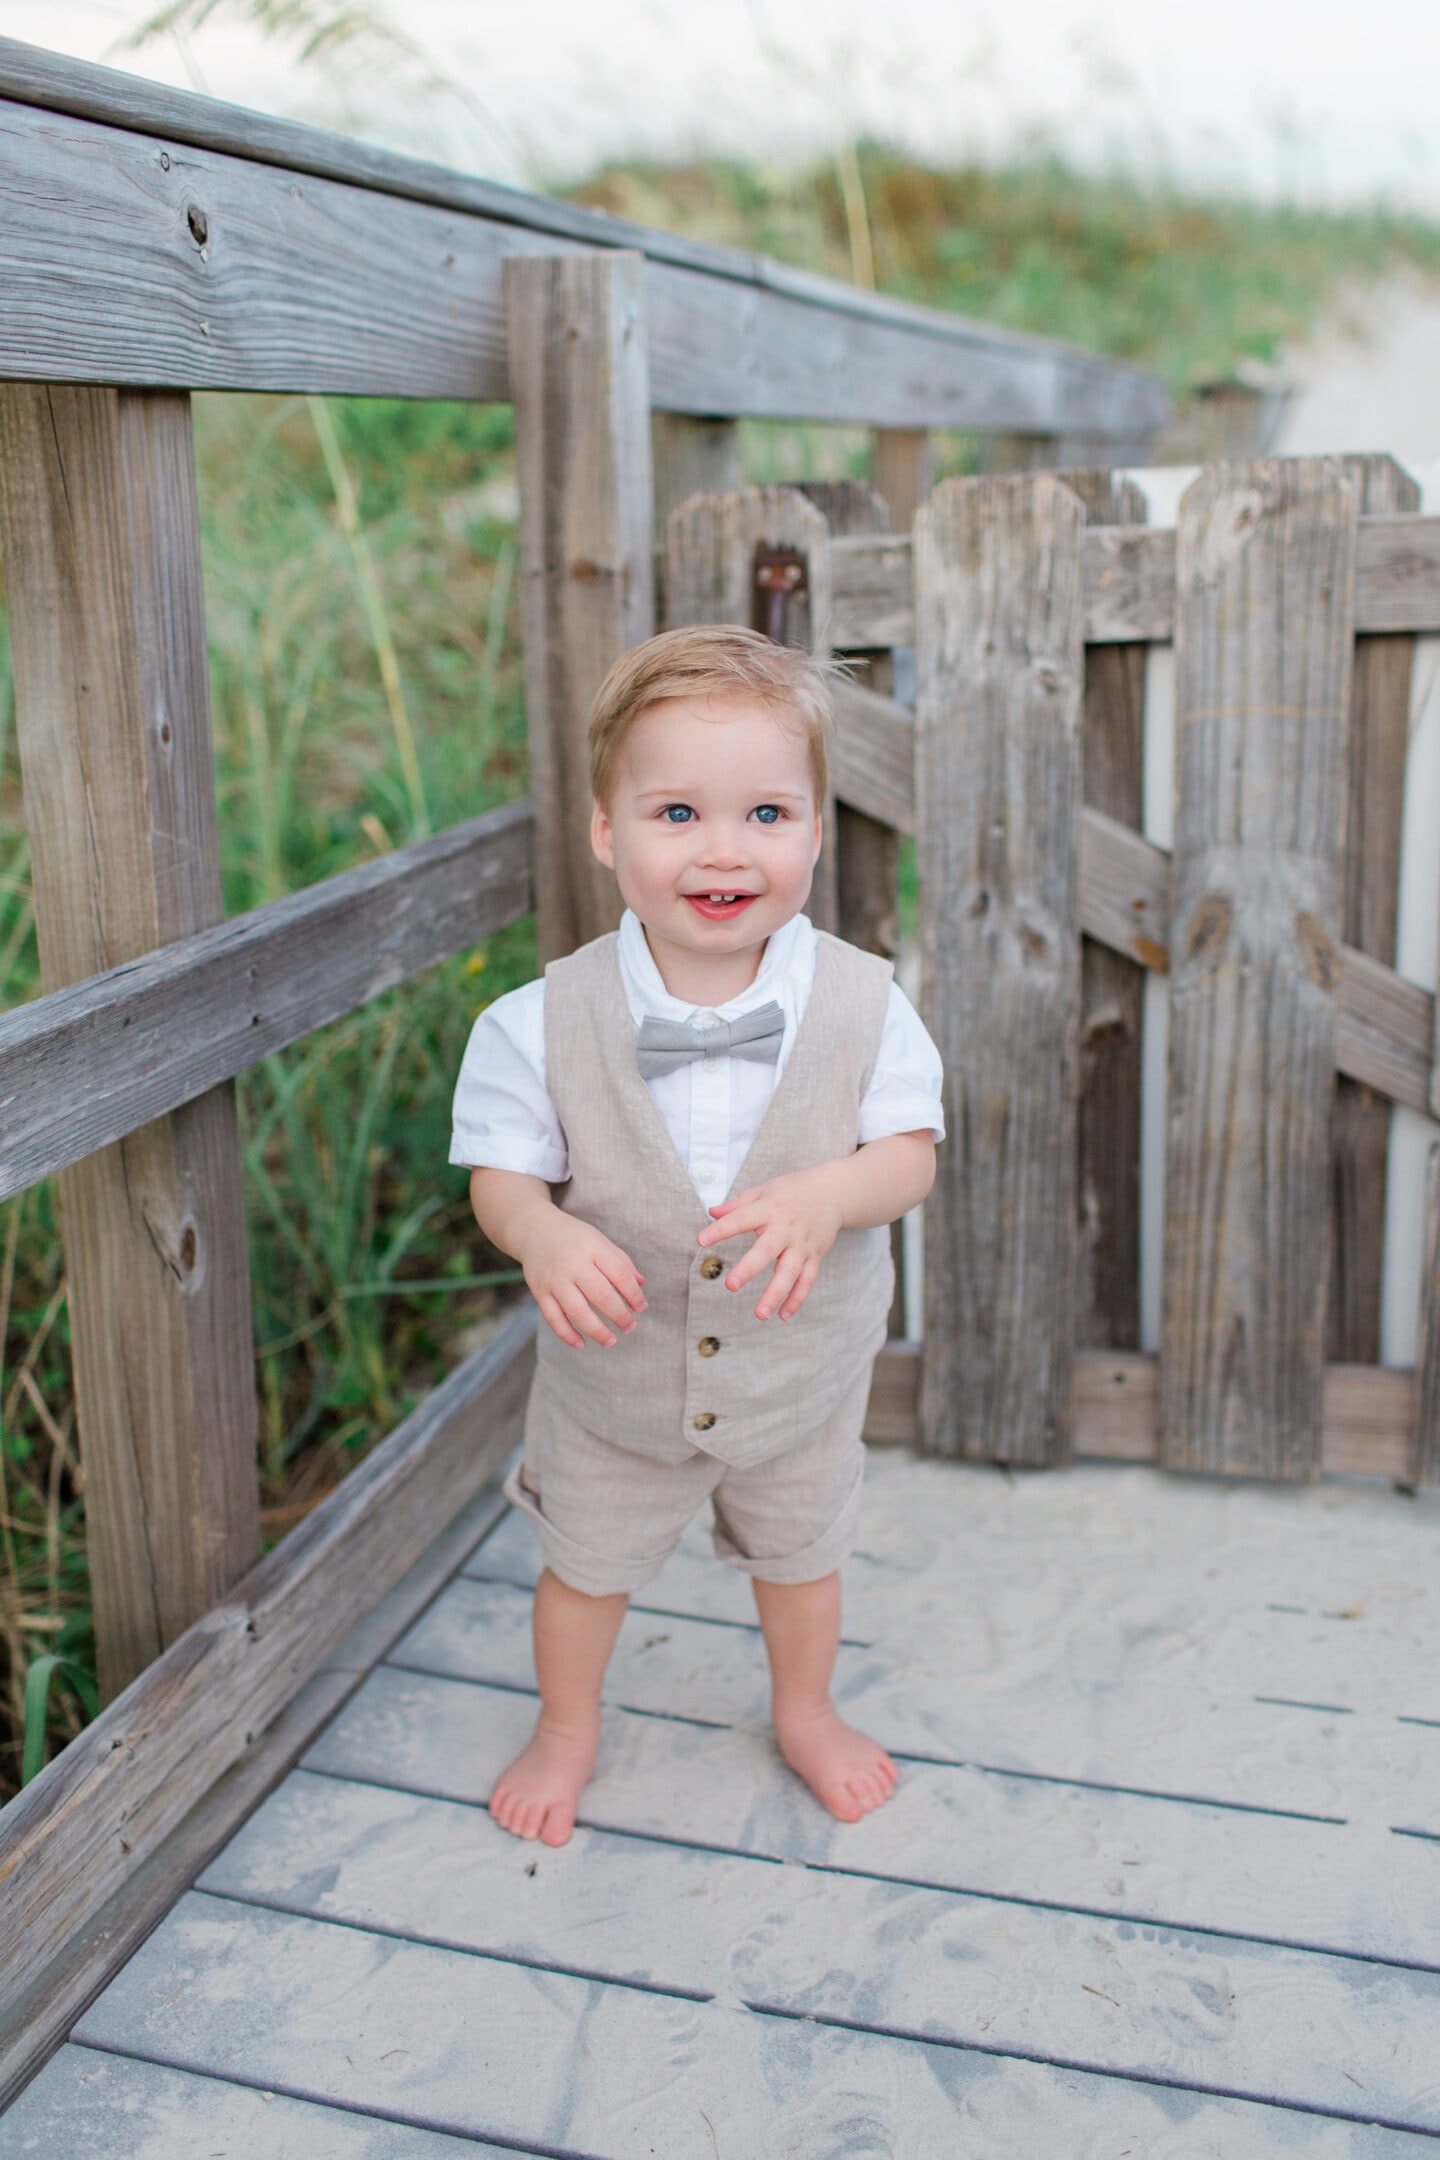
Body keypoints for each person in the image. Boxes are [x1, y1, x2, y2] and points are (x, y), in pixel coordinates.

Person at [451, 624, 943, 1847]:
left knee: (803, 1557)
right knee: (584, 1568)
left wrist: (830, 1194)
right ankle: (569, 1727)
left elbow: (909, 1158)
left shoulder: (865, 1006)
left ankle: (806, 1709)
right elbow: (503, 1177)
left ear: (817, 832)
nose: (725, 849)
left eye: (768, 814)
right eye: (677, 813)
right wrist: (542, 1237)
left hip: (799, 1377)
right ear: (608, 832)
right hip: (611, 1392)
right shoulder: (535, 1022)